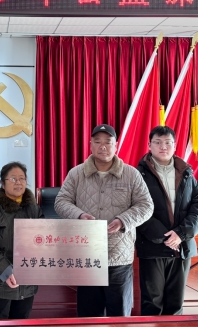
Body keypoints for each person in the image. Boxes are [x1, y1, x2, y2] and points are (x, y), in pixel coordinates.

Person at [54, 123, 153, 317]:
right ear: (90, 145)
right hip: (87, 255)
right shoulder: (76, 173)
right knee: (89, 316)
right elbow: (61, 202)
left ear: (116, 145)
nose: (103, 146)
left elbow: (146, 206)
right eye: (97, 141)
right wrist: (79, 215)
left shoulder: (131, 174)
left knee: (120, 316)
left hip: (119, 256)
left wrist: (123, 220)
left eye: (108, 142)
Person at [136, 126, 198, 315]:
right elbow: (135, 208)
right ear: (149, 145)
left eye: (168, 142)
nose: (163, 147)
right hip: (152, 247)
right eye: (158, 142)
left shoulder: (186, 173)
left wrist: (180, 234)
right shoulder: (138, 174)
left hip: (182, 247)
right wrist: (166, 237)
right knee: (152, 303)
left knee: (176, 304)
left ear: (175, 146)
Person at [0, 162, 43, 320]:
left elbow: (42, 242)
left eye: (22, 178)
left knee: (22, 321)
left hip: (26, 283)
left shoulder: (34, 209)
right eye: (13, 179)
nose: (18, 182)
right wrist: (6, 270)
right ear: (2, 183)